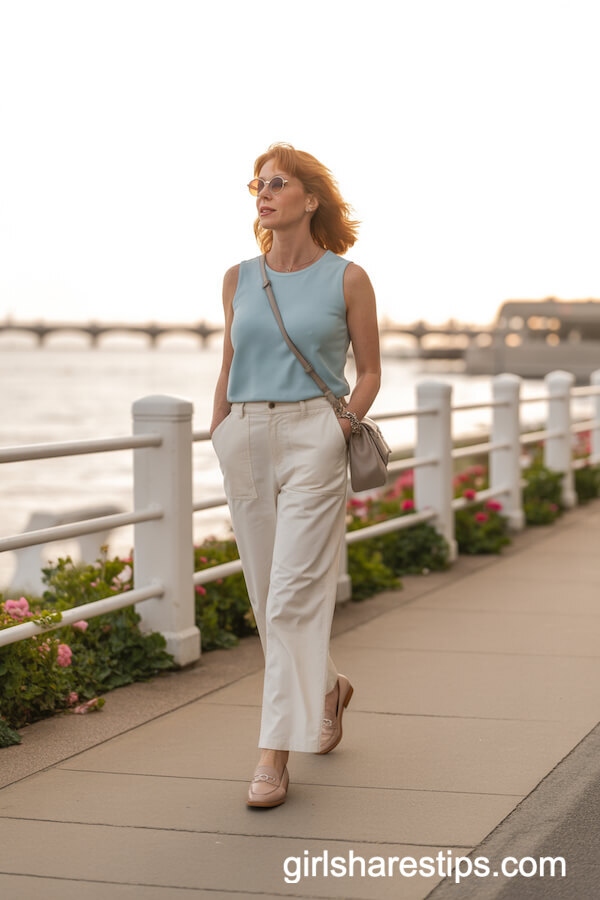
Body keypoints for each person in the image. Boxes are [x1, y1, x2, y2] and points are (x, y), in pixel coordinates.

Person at [209, 142, 381, 807]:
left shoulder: (348, 279)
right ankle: (329, 688)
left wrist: (339, 429)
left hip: (316, 434)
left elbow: (369, 372)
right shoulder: (237, 278)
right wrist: (221, 429)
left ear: (311, 200)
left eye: (277, 182)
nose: (263, 192)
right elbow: (229, 362)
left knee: (291, 597)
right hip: (246, 435)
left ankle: (272, 756)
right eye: (258, 183)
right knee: (266, 596)